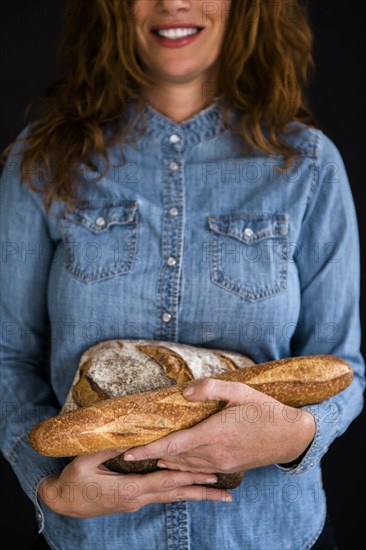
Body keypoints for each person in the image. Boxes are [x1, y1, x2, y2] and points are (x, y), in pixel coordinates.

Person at [0, 1, 364, 549]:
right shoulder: (44, 161)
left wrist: (295, 435)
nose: (174, 3)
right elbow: (6, 355)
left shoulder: (307, 165)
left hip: (271, 534)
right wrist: (49, 488)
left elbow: (342, 368)